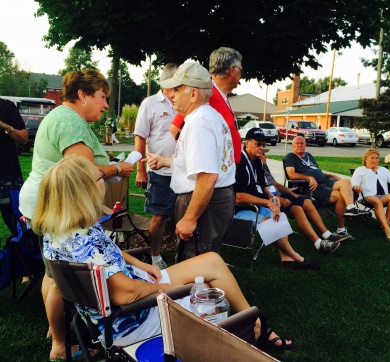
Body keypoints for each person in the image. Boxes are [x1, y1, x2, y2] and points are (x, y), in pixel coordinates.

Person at [32, 155, 294, 351]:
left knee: (212, 261)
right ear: (84, 191)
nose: (105, 178)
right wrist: (170, 289)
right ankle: (253, 327)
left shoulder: (61, 233)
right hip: (136, 318)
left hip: (121, 308)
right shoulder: (86, 241)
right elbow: (126, 293)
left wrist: (141, 265)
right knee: (208, 291)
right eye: (100, 176)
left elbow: (110, 255)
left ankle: (255, 323)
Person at [19, 69, 134, 360]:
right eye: (102, 97)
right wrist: (119, 168)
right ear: (83, 95)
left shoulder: (62, 117)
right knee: (60, 277)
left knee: (52, 272)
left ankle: (54, 329)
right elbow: (85, 173)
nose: (106, 105)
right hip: (56, 207)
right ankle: (59, 345)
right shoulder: (71, 123)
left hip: (46, 204)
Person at [145, 61, 236, 263]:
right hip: (215, 199)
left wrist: (189, 218)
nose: (171, 94)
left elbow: (207, 176)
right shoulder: (209, 116)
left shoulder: (198, 123)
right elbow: (203, 164)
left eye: (177, 89)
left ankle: (201, 295)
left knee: (195, 263)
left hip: (203, 200)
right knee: (206, 259)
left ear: (193, 94)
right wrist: (166, 161)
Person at [235, 128, 320, 270]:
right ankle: (297, 257)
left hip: (256, 205)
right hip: (240, 209)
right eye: (258, 144)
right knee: (270, 222)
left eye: (264, 144)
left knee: (281, 217)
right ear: (247, 143)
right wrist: (267, 202)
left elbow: (262, 186)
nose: (262, 148)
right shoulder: (239, 162)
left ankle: (286, 258)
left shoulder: (257, 161)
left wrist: (271, 196)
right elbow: (239, 196)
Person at [260, 149, 349, 253]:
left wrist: (291, 193)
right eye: (262, 155)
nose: (264, 156)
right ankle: (319, 244)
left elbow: (275, 184)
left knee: (306, 202)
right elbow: (258, 191)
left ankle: (327, 234)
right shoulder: (255, 170)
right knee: (297, 209)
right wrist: (278, 198)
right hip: (271, 200)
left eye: (264, 154)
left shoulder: (264, 167)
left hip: (279, 195)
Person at [134, 63, 178, 270]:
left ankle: (183, 254)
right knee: (159, 216)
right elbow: (140, 137)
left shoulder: (183, 103)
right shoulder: (150, 103)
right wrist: (141, 170)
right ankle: (155, 257)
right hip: (160, 171)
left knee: (186, 214)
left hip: (184, 171)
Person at [284, 136, 371, 241]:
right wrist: (309, 178)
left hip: (325, 182)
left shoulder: (308, 155)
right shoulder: (290, 157)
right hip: (312, 187)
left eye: (302, 143)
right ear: (292, 146)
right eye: (297, 143)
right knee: (340, 196)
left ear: (305, 145)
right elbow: (291, 175)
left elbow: (316, 171)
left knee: (346, 182)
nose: (300, 145)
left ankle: (351, 208)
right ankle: (341, 229)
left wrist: (330, 175)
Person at [170, 47, 242, 164]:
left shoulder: (220, 94)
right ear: (232, 70)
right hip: (214, 175)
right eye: (240, 69)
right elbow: (175, 129)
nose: (241, 74)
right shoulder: (206, 94)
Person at [351, 148, 390, 241]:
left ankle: (384, 223)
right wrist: (356, 187)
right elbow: (354, 184)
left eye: (376, 158)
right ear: (365, 159)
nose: (374, 160)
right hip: (367, 196)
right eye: (372, 158)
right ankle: (387, 230)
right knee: (377, 202)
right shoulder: (360, 170)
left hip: (383, 196)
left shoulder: (383, 169)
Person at [0, 98, 28, 234]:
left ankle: (21, 252)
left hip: (8, 177)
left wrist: (4, 126)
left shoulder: (7, 107)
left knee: (17, 224)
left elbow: (23, 138)